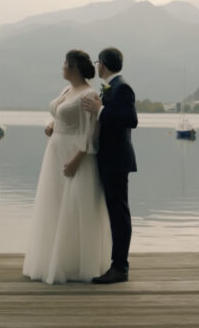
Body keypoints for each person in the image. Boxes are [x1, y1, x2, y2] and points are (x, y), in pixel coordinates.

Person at [22, 49, 112, 284]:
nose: (62, 66)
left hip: (75, 154)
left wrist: (77, 158)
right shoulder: (67, 90)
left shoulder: (89, 94)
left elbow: (91, 131)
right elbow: (60, 115)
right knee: (55, 203)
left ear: (74, 68)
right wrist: (51, 124)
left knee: (75, 207)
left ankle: (76, 264)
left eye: (65, 63)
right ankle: (54, 259)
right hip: (56, 149)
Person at [81, 47, 137, 284]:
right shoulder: (109, 87)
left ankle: (120, 267)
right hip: (108, 159)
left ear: (102, 64)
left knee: (119, 214)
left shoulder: (121, 87)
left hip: (116, 160)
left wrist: (100, 110)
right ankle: (116, 263)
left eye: (97, 62)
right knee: (115, 212)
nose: (96, 66)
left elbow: (131, 120)